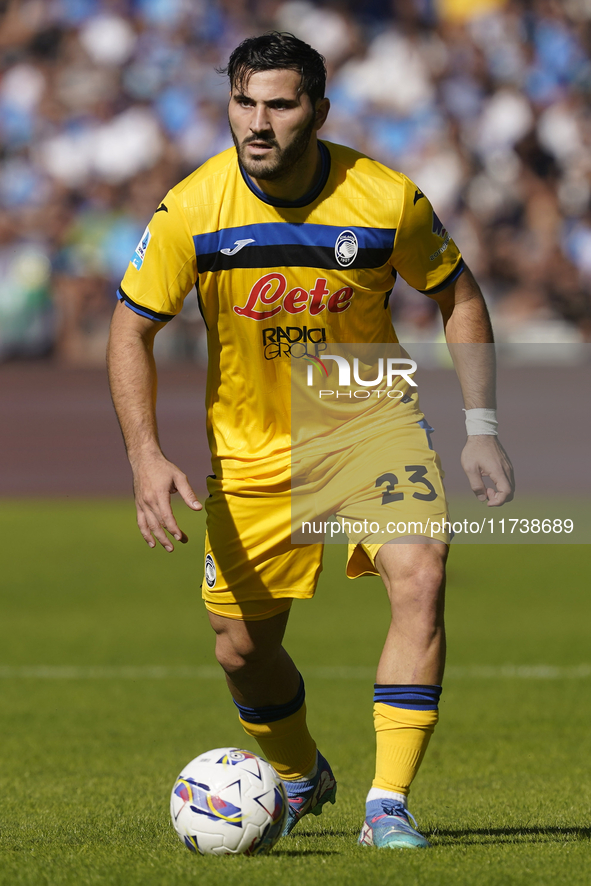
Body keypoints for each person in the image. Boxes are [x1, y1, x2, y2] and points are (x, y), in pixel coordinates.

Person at [107, 32, 514, 850]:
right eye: (243, 103)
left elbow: (459, 298)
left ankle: (387, 805)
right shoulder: (191, 208)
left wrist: (480, 428)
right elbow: (130, 328)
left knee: (420, 572)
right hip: (253, 451)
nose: (257, 123)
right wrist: (144, 454)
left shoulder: (384, 197)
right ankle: (299, 775)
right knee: (241, 652)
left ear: (318, 112)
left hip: (368, 420)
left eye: (280, 104)